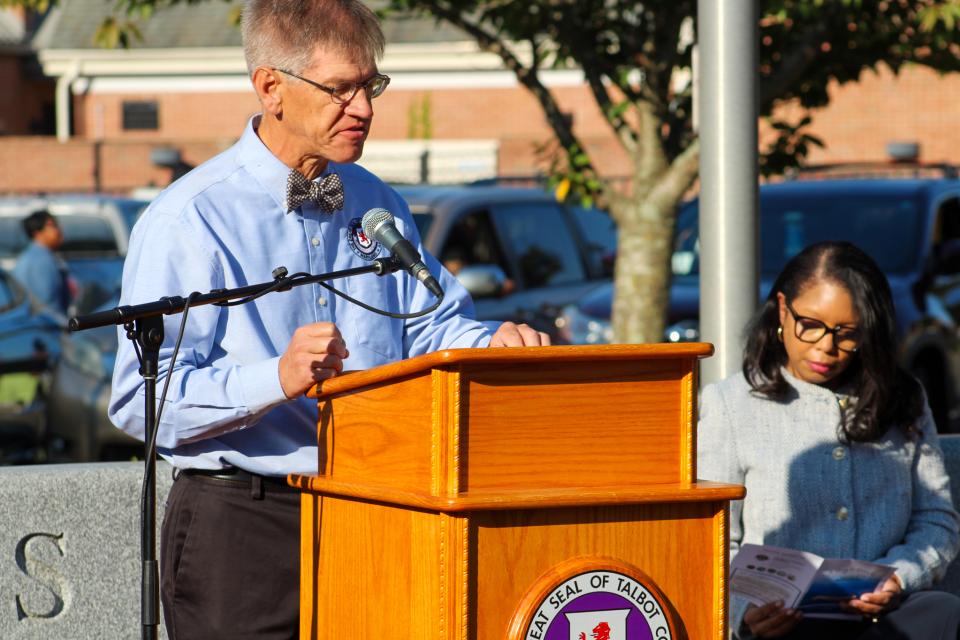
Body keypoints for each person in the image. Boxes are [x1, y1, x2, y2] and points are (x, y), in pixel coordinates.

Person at [108, 1, 548, 638]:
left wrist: (490, 344)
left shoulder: (377, 200)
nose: (364, 107)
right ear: (271, 88)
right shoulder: (191, 220)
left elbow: (428, 328)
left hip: (379, 505)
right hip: (243, 524)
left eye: (370, 86)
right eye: (341, 89)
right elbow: (138, 402)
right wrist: (275, 377)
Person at [698, 240, 960, 639]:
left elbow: (936, 519)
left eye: (847, 333)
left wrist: (898, 577)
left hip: (882, 618)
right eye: (812, 325)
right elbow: (710, 542)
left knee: (944, 612)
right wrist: (742, 613)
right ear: (783, 310)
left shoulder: (902, 399)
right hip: (782, 625)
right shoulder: (729, 405)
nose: (826, 346)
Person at [12, 209, 70, 314]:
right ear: (37, 233)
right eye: (52, 226)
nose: (58, 230)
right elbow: (47, 306)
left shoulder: (39, 256)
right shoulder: (39, 261)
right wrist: (63, 326)